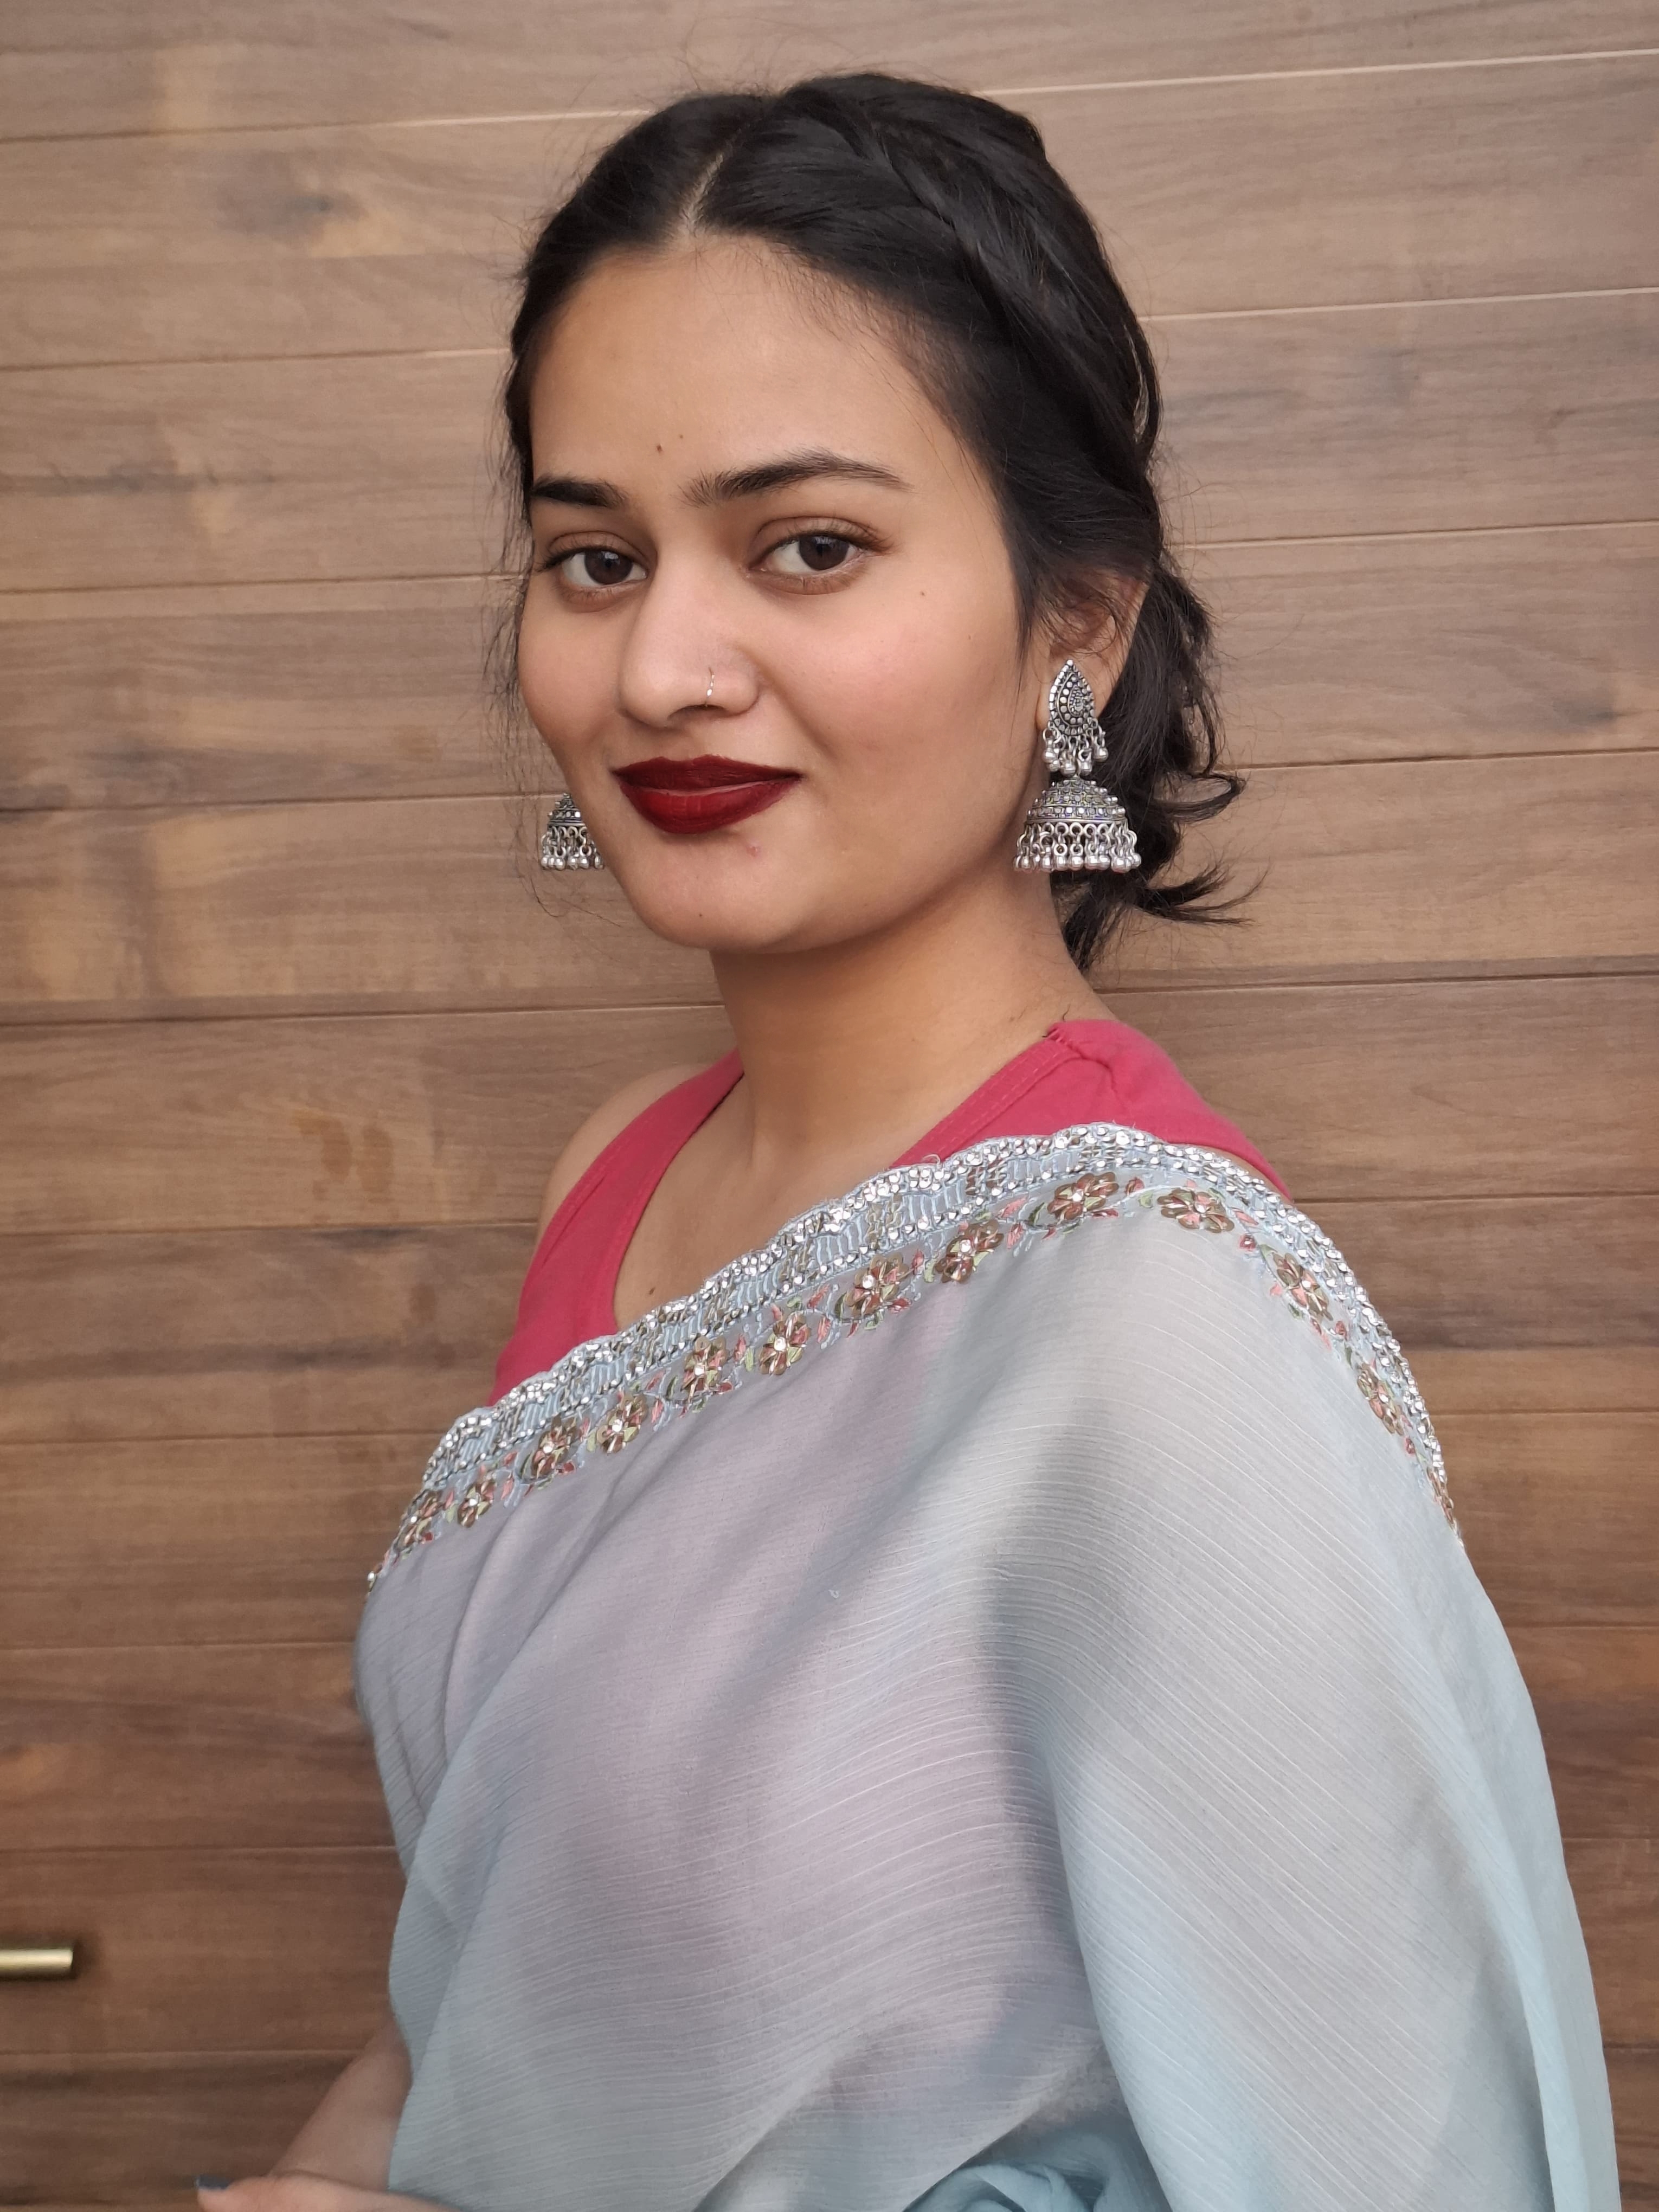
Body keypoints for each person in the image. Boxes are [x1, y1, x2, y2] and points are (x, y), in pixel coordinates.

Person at [196, 74, 1619, 2212]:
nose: (664, 666)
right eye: (595, 559)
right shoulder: (619, 1175)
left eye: (810, 548)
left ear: (1076, 630)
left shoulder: (1152, 1327)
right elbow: (490, 1981)